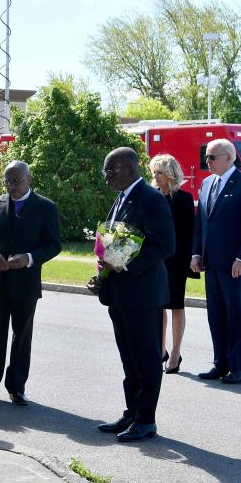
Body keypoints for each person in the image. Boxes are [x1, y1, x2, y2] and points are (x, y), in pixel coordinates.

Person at [95, 147, 174, 442]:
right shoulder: (121, 197)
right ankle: (132, 412)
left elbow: (165, 245)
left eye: (110, 172)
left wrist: (125, 264)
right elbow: (112, 241)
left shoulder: (151, 199)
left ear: (129, 168)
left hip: (143, 295)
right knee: (128, 358)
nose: (106, 178)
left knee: (146, 359)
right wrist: (104, 269)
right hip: (120, 294)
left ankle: (146, 420)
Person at [0, 161, 61, 406]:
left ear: (29, 179)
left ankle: (16, 387)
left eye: (17, 181)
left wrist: (29, 258)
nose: (12, 186)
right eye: (8, 181)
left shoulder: (45, 207)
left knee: (21, 337)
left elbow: (53, 245)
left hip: (26, 284)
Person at [191, 139, 241, 385]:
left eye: (211, 157)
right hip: (211, 262)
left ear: (229, 158)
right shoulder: (208, 183)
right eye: (206, 156)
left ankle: (238, 368)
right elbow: (201, 222)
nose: (206, 162)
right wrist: (196, 253)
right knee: (216, 314)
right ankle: (220, 364)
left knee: (235, 314)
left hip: (235, 263)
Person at [149, 154, 198, 374]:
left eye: (159, 172)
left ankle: (175, 353)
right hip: (155, 261)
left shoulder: (184, 199)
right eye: (154, 173)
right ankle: (160, 350)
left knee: (176, 306)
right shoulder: (152, 197)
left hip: (177, 261)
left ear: (170, 174)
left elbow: (189, 234)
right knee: (157, 305)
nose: (156, 177)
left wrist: (188, 261)